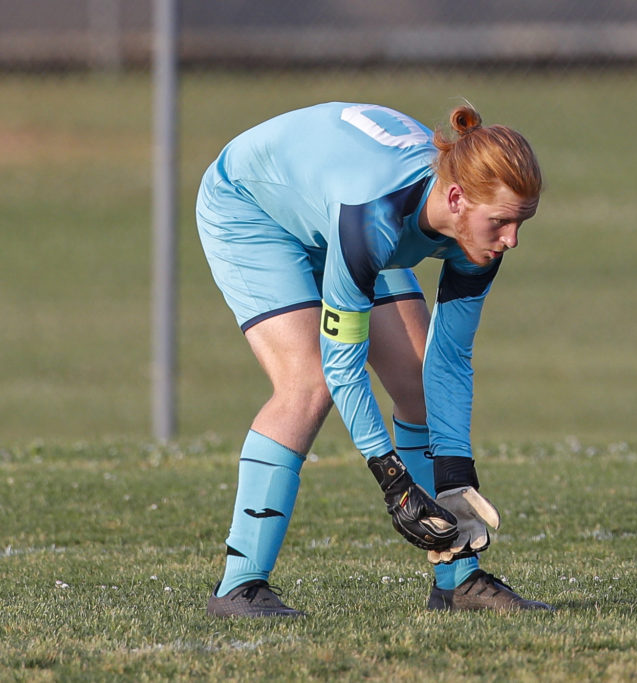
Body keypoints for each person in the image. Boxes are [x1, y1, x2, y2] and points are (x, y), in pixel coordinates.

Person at [195, 101, 552, 616]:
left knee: (415, 379)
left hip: (335, 205)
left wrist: (454, 475)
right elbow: (345, 364)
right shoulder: (376, 218)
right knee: (310, 381)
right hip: (253, 205)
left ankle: (458, 580)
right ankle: (239, 585)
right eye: (501, 222)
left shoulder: (478, 237)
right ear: (456, 197)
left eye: (521, 223)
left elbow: (448, 361)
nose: (512, 240)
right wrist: (394, 482)